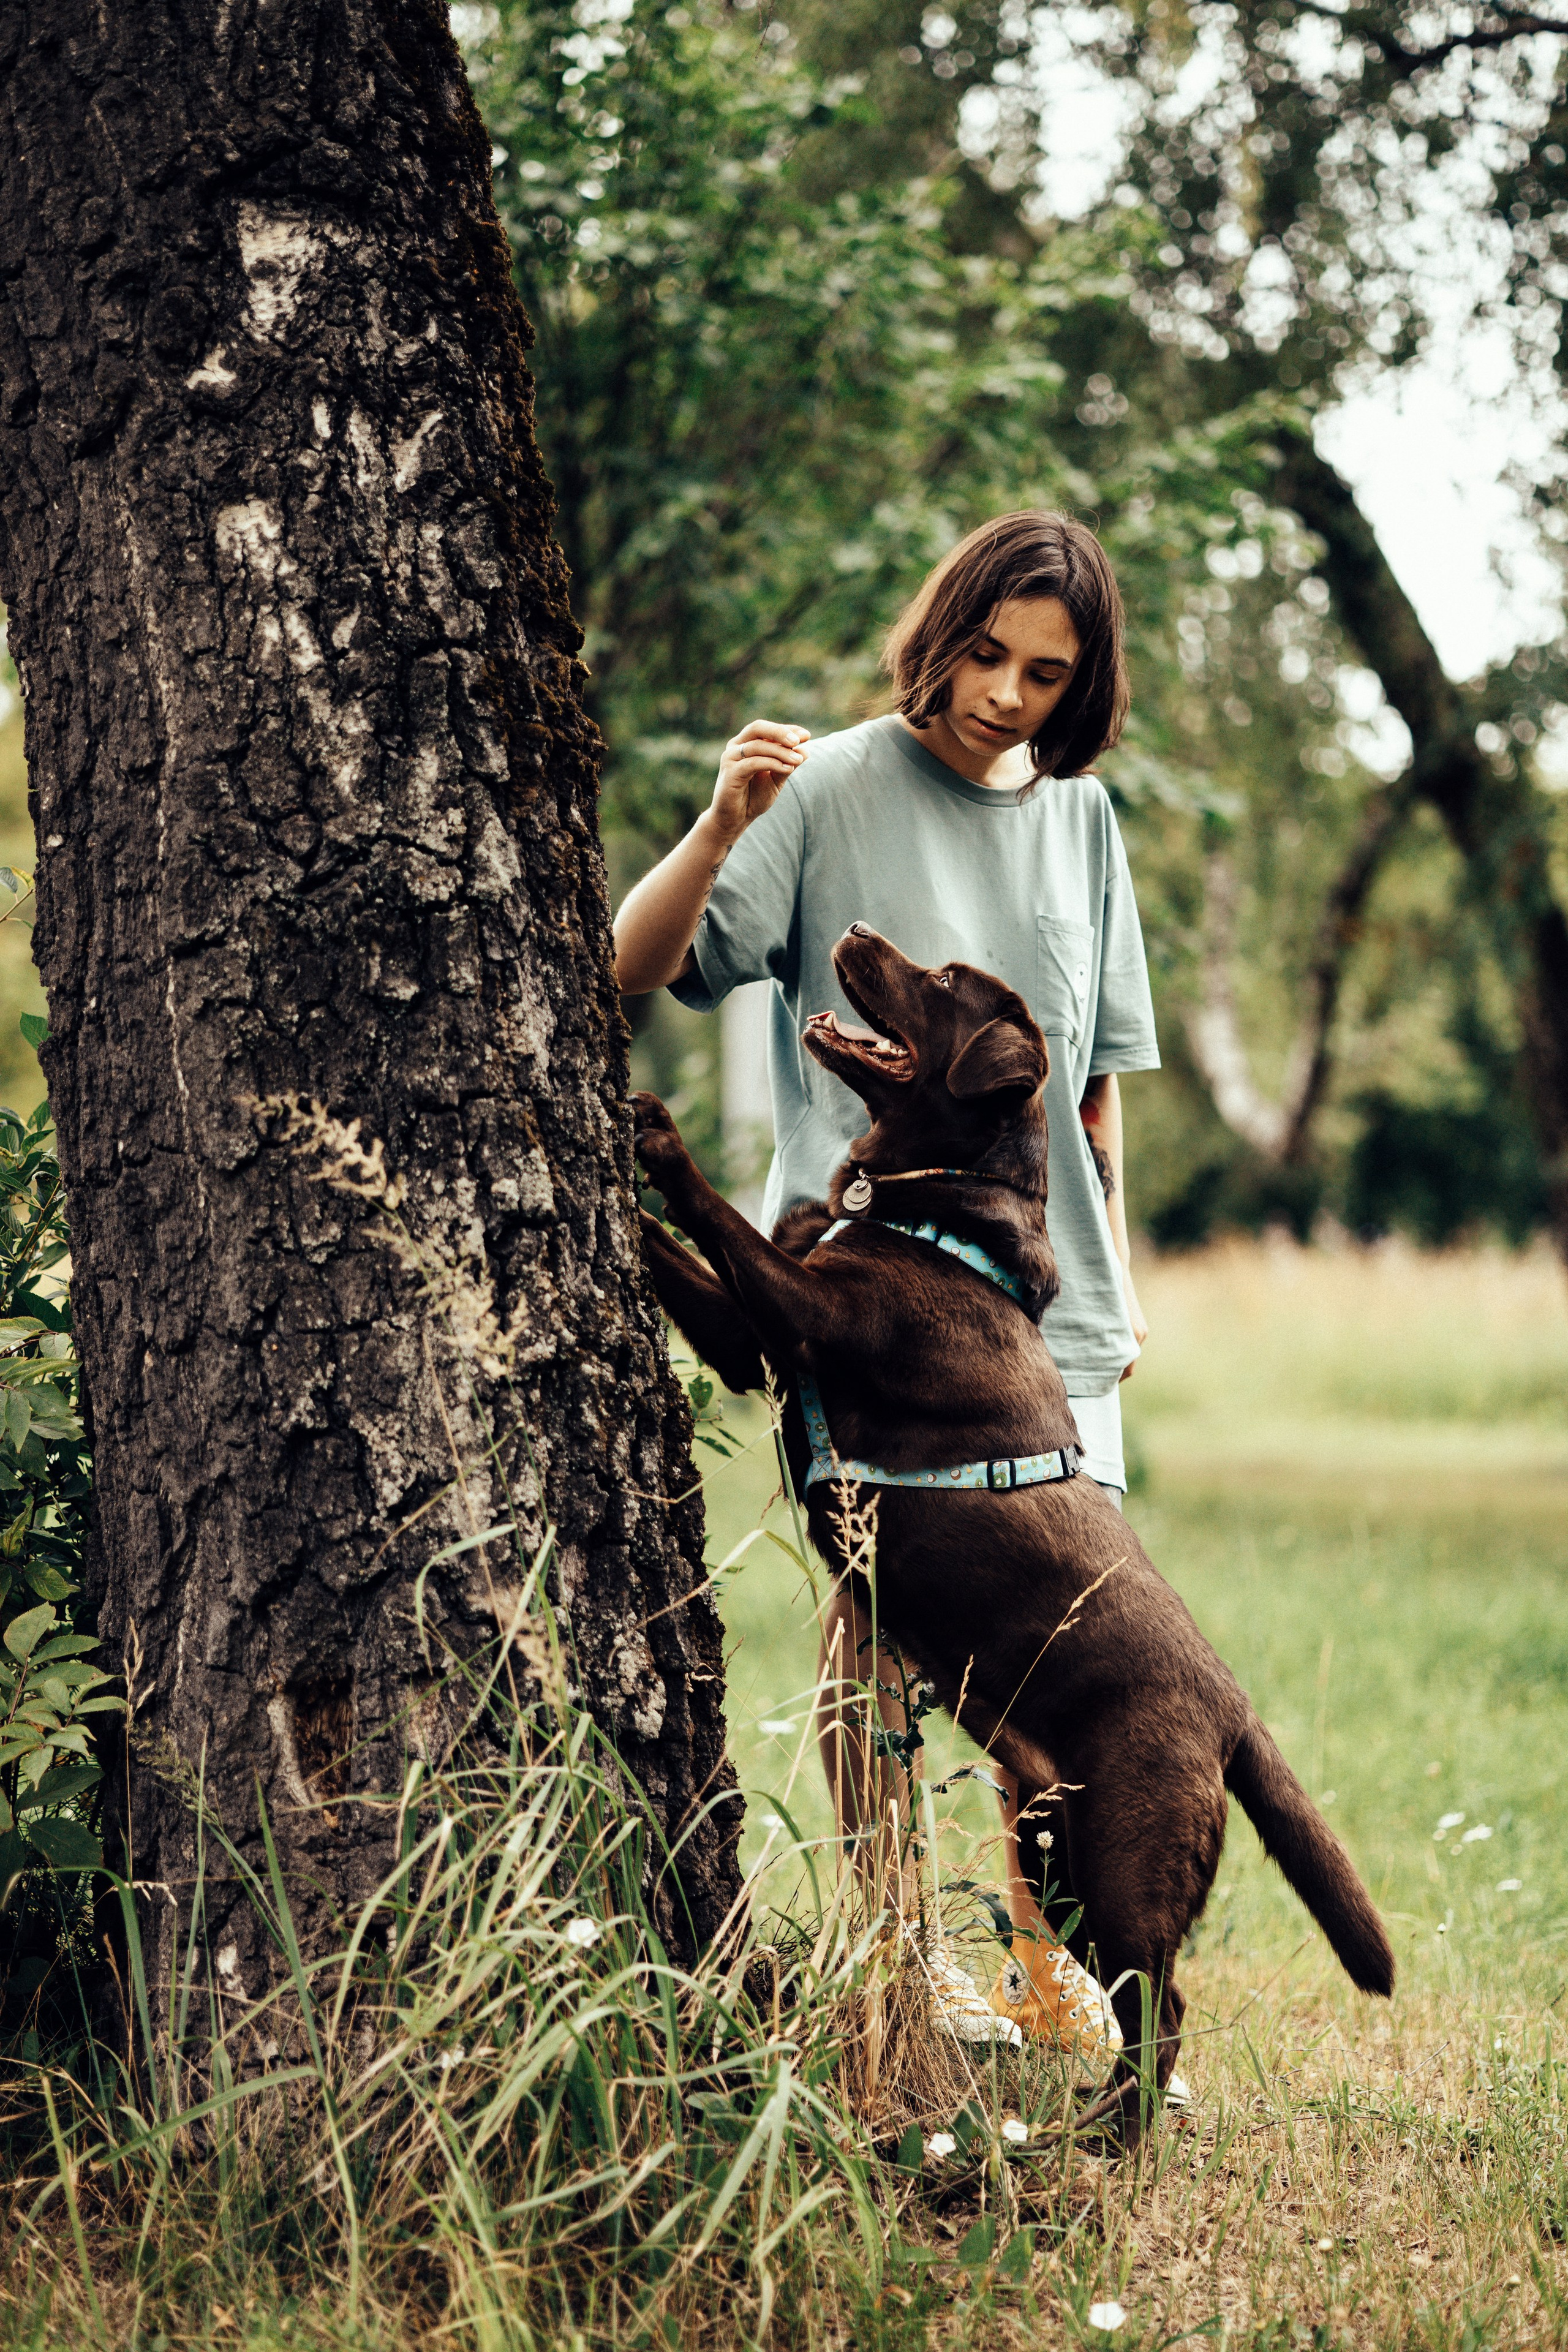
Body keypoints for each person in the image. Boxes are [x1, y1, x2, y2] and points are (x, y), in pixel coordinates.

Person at [614, 511, 1158, 2060]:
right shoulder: (834, 783)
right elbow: (635, 963)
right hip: (861, 1309)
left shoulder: (1084, 820)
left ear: (1081, 685)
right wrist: (722, 825)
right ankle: (893, 1953)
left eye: (1043, 673)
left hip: (1051, 1318)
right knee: (876, 1628)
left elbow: (1096, 1090)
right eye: (985, 653)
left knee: (1063, 1639)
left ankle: (1049, 1975)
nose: (1003, 694)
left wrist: (1121, 1281)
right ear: (942, 630)